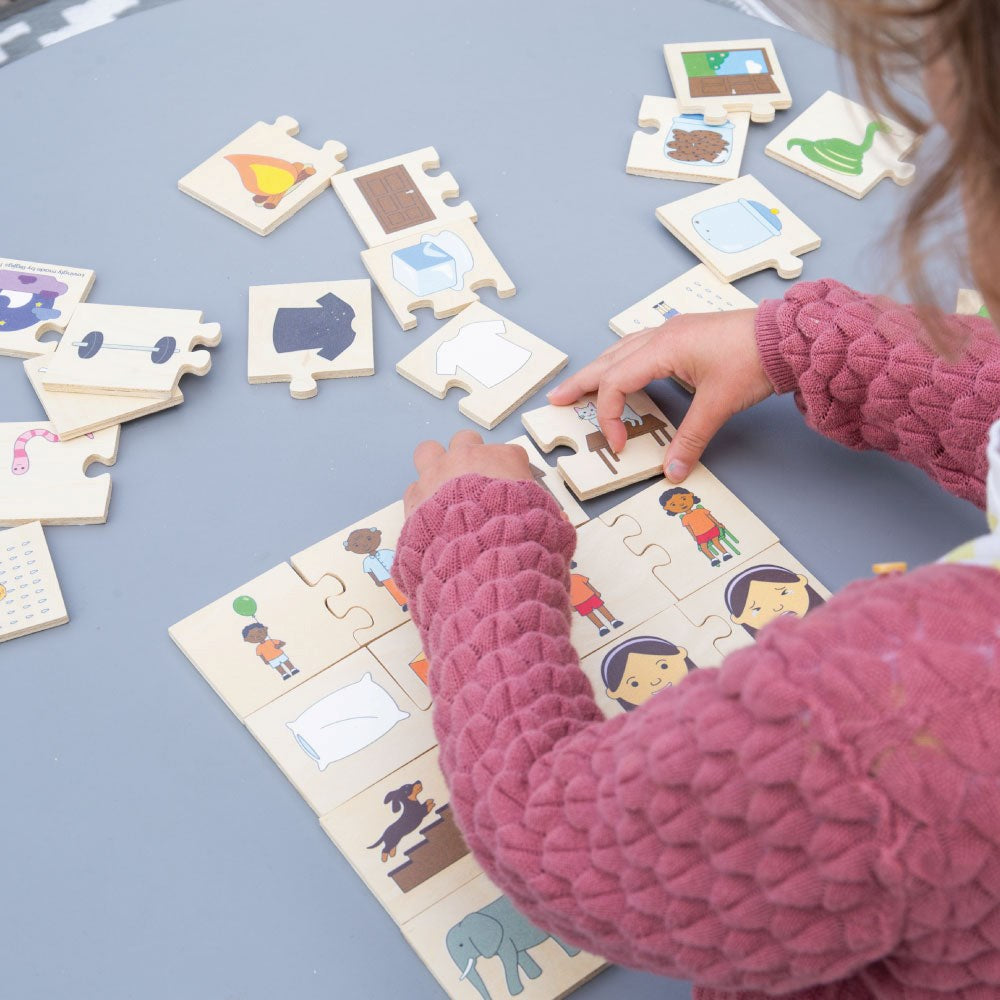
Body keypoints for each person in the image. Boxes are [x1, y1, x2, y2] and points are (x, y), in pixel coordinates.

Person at [391, 2, 1000, 996]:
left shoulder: (905, 713)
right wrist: (808, 345)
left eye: (951, 142)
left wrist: (476, 549)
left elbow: (566, 849)